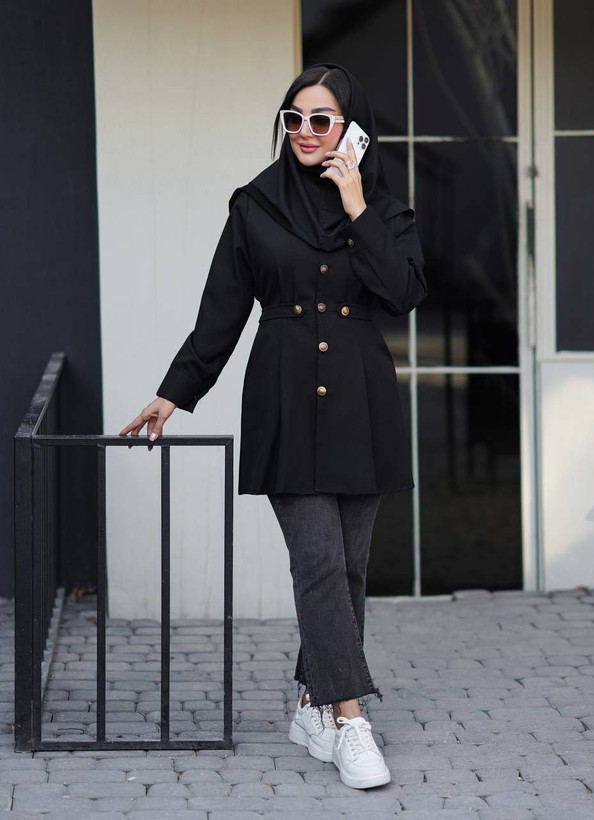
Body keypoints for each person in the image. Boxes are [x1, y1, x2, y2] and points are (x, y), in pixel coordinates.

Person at [119, 62, 427, 789]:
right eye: (294, 119)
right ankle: (349, 719)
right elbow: (221, 309)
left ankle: (311, 704)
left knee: (348, 569)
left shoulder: (384, 210)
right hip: (285, 401)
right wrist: (174, 392)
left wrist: (355, 204)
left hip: (362, 403)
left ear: (352, 131)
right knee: (318, 563)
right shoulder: (254, 206)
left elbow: (402, 293)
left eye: (321, 120)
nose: (305, 132)